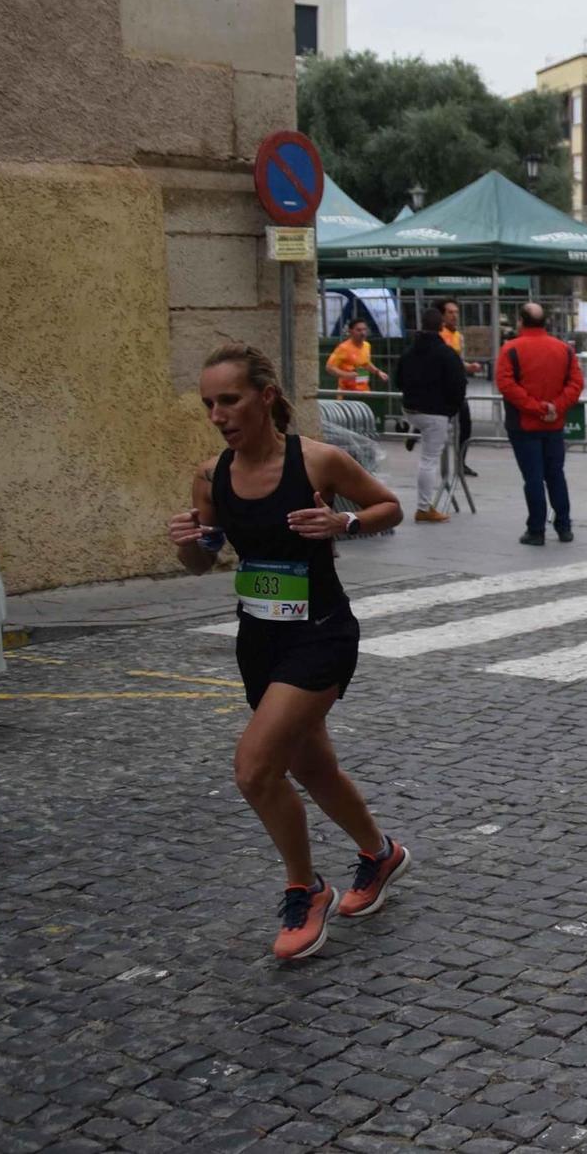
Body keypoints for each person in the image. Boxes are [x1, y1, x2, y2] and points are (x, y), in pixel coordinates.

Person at [166, 345, 410, 960]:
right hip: (259, 640)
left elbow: (389, 507)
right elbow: (200, 561)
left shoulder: (318, 461)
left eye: (230, 400)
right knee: (313, 767)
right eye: (208, 405)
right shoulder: (210, 476)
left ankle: (307, 888)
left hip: (321, 634)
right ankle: (380, 855)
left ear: (266, 397)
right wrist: (189, 543)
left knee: (255, 769)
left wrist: (344, 526)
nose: (218, 415)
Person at [495, 302, 584, 545]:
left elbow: (506, 385)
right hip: (554, 425)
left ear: (521, 322)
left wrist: (536, 408)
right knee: (556, 475)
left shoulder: (510, 349)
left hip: (523, 425)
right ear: (546, 322)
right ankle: (564, 526)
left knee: (533, 478)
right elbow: (576, 383)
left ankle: (536, 530)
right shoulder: (564, 350)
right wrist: (556, 407)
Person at [394, 305, 468, 524]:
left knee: (428, 453)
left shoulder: (408, 352)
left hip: (411, 408)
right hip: (436, 412)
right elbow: (458, 384)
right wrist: (452, 408)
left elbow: (398, 380)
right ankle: (424, 507)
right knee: (429, 460)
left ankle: (413, 429)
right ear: (441, 326)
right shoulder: (446, 353)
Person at [441, 299, 483, 477]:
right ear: (443, 315)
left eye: (456, 312)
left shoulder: (458, 336)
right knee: (439, 426)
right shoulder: (439, 334)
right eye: (450, 312)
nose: (454, 315)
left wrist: (468, 366)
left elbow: (457, 361)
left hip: (458, 387)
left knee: (465, 425)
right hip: (442, 388)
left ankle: (461, 463)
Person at [326, 319, 389, 395]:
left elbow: (366, 363)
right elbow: (329, 367)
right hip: (347, 393)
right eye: (358, 330)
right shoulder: (343, 348)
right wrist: (347, 375)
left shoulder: (367, 346)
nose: (363, 333)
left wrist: (378, 372)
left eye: (364, 330)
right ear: (350, 331)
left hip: (364, 391)